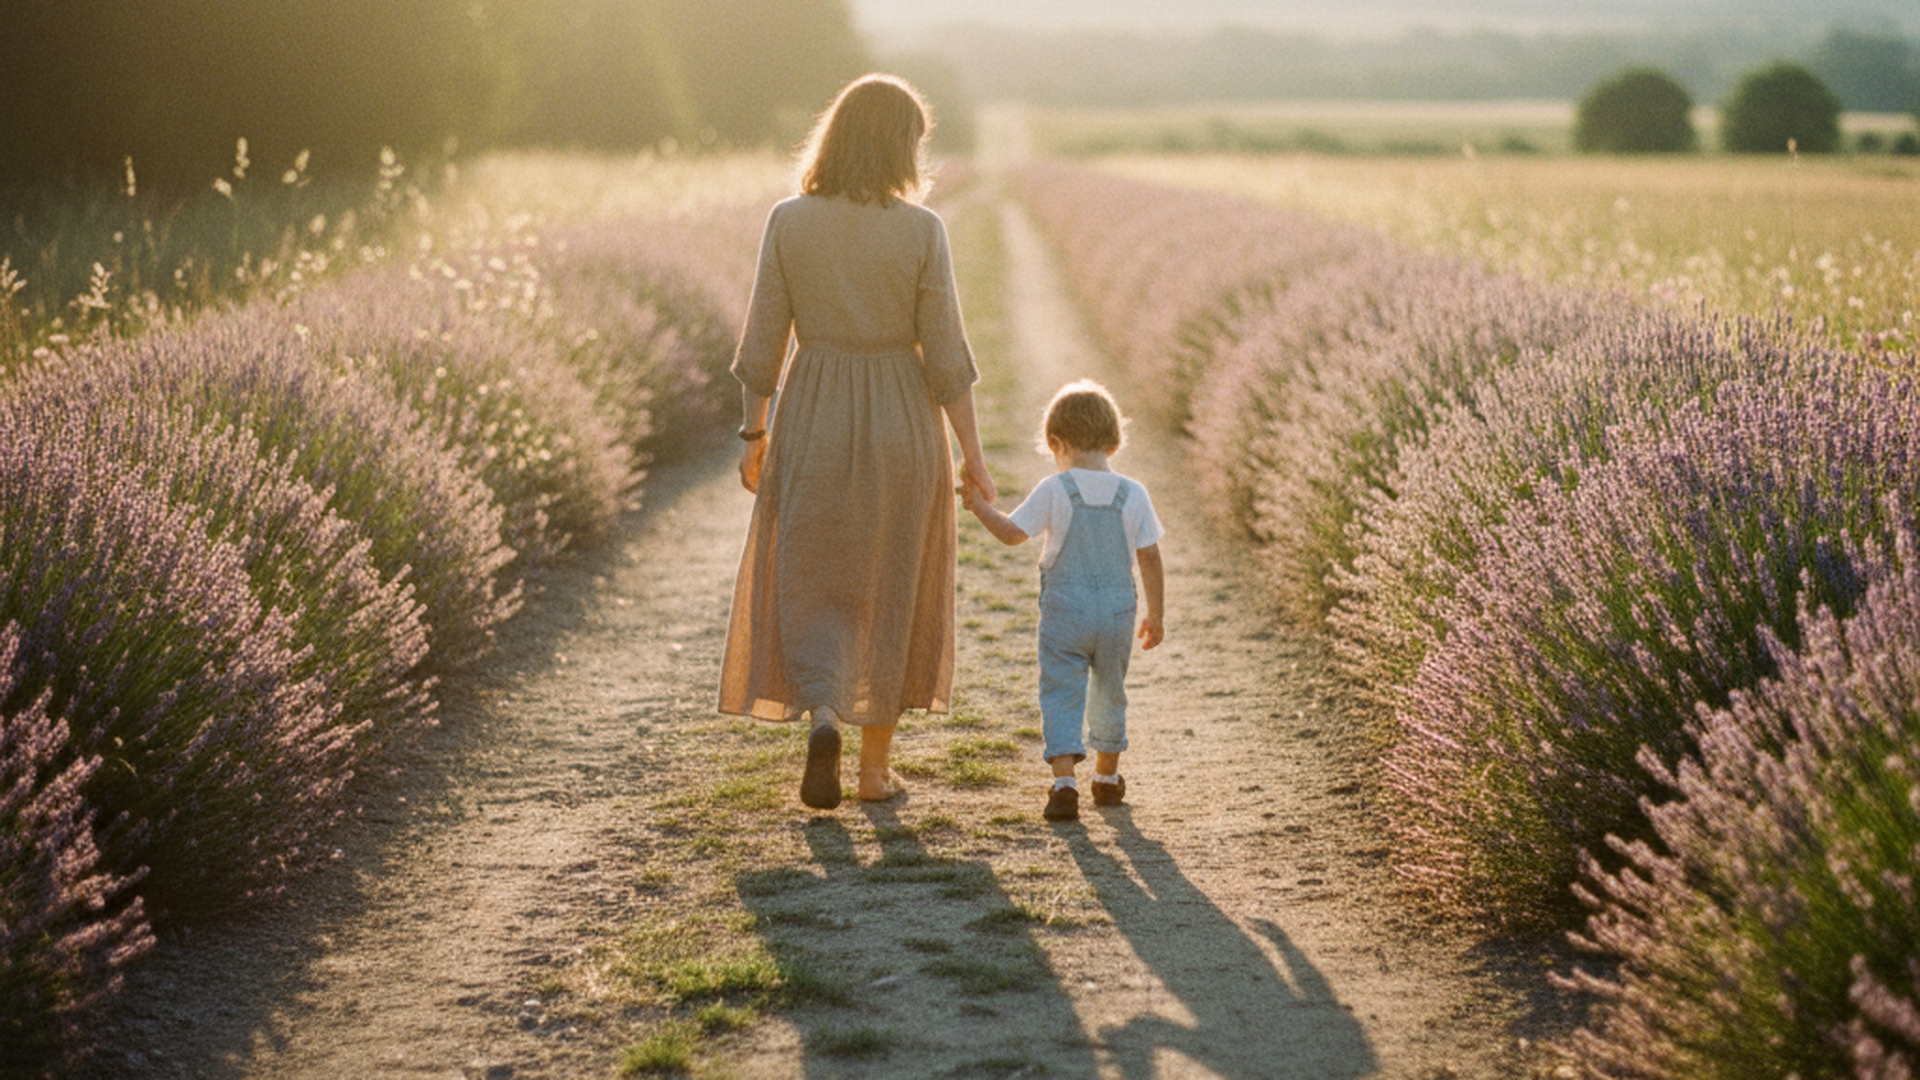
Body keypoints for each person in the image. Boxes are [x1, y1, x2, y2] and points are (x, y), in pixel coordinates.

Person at [718, 73, 994, 811]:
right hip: (902, 421)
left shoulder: (789, 220)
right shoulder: (921, 229)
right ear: (900, 145)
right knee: (891, 586)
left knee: (812, 578)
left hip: (812, 412)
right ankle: (874, 773)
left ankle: (824, 717)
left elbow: (762, 342)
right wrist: (973, 456)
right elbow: (946, 357)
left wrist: (754, 432)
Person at [959, 380, 1165, 822]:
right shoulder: (1134, 493)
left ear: (1055, 442)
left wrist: (978, 507)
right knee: (1110, 690)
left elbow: (1013, 534)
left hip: (1065, 612)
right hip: (1116, 611)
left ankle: (1064, 784)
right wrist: (1156, 615)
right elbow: (1149, 557)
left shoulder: (1055, 489)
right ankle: (1107, 781)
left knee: (1061, 691)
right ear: (1113, 441)